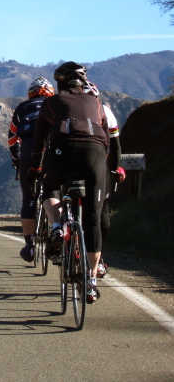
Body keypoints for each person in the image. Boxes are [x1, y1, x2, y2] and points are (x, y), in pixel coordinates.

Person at [28, 62, 110, 304]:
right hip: (94, 154)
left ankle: (55, 228)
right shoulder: (96, 102)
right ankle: (91, 280)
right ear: (83, 83)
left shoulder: (50, 103)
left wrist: (35, 169)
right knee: (93, 219)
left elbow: (40, 141)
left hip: (62, 151)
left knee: (50, 186)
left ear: (59, 83)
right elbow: (106, 134)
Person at [7, 77, 54, 263]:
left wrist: (17, 158)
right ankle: (60, 231)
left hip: (28, 147)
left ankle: (30, 246)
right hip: (54, 148)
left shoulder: (22, 107)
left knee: (29, 198)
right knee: (55, 192)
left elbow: (11, 138)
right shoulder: (56, 105)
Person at [83, 81, 126, 278]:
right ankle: (98, 260)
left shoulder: (64, 109)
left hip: (66, 164)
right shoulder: (104, 110)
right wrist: (116, 168)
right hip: (98, 165)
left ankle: (62, 235)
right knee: (102, 212)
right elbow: (115, 145)